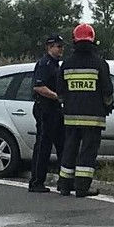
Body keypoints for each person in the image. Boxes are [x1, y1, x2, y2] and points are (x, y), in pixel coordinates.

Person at [57, 23, 114, 197]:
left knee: (69, 149)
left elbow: (60, 93)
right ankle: (82, 187)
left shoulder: (66, 64)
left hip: (71, 117)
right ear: (92, 40)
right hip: (93, 117)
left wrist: (68, 103)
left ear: (74, 41)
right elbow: (107, 91)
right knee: (88, 151)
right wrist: (108, 105)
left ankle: (65, 185)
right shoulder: (99, 63)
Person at [29, 33, 66, 193]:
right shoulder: (45, 64)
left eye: (62, 46)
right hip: (45, 109)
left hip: (56, 110)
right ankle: (36, 182)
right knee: (43, 146)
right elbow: (38, 86)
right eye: (58, 46)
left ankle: (64, 181)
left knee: (62, 145)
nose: (61, 50)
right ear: (50, 47)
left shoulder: (55, 64)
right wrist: (57, 96)